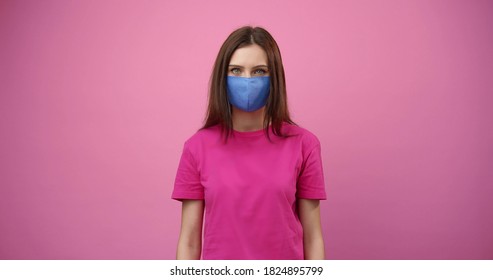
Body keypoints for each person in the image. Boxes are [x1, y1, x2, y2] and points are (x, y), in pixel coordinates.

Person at [172, 26, 327, 260]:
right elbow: (189, 241)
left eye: (259, 71)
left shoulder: (304, 144)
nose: (247, 80)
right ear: (221, 78)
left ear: (275, 77)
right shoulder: (197, 147)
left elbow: (313, 238)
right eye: (236, 70)